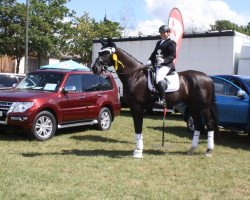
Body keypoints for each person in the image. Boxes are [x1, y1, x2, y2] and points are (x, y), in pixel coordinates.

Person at [147, 25, 176, 107]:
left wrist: (164, 61)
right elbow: (154, 54)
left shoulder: (171, 42)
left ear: (168, 33)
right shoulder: (159, 42)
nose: (162, 34)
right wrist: (149, 60)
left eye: (164, 33)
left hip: (167, 65)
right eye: (161, 33)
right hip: (157, 65)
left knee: (158, 78)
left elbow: (173, 55)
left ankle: (163, 100)